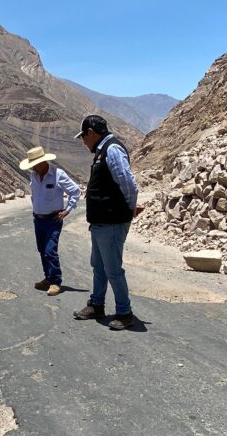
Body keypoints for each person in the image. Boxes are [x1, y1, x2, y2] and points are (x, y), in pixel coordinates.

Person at [72, 115, 143, 330]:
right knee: (99, 266)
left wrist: (128, 209)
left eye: (83, 137)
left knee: (112, 269)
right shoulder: (102, 151)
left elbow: (128, 183)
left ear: (91, 133)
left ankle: (124, 312)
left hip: (112, 222)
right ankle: (96, 305)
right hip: (101, 222)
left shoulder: (111, 150)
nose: (84, 142)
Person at [19, 146, 81, 296]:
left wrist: (67, 210)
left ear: (42, 162)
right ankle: (48, 278)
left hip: (53, 220)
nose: (32, 167)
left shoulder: (57, 175)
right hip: (38, 219)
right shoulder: (34, 175)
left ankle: (55, 282)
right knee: (42, 250)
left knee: (50, 251)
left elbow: (75, 191)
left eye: (34, 164)